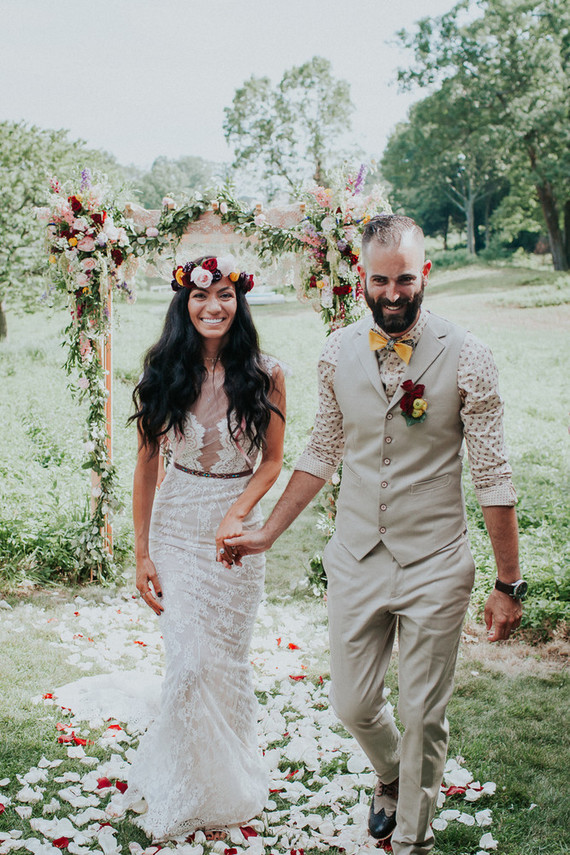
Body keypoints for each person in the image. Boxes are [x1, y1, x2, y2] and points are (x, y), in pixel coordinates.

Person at [224, 216, 525, 855]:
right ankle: (390, 774)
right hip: (356, 555)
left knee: (422, 715)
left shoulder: (469, 355)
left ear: (427, 274)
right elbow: (322, 449)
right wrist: (267, 532)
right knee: (353, 704)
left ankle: (411, 841)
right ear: (361, 276)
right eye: (380, 280)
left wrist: (508, 583)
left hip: (436, 561)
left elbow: (494, 473)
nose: (393, 294)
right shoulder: (336, 351)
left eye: (406, 280)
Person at [129, 254, 286, 842]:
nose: (213, 306)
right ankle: (185, 785)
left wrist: (237, 514)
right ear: (183, 303)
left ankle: (229, 783)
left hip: (237, 530)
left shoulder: (267, 373)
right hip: (175, 526)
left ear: (239, 301)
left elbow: (272, 462)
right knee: (189, 664)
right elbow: (147, 467)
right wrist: (142, 554)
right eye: (200, 296)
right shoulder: (163, 370)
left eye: (224, 294)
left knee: (224, 663)